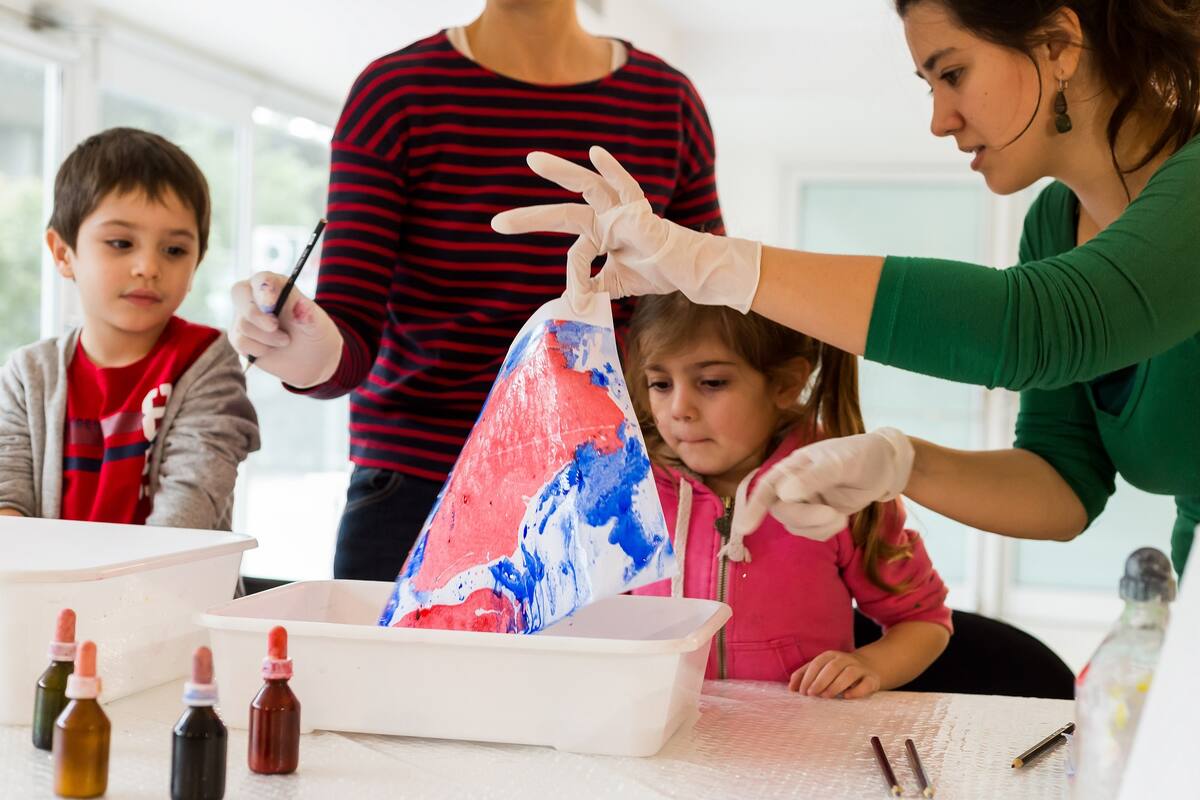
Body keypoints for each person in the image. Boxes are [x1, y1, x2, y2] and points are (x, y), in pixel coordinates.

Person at [492, 0, 1200, 577]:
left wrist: (716, 265)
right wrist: (899, 462)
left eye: (952, 73)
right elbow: (1063, 485)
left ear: (1058, 43)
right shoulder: (1054, 225)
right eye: (929, 87)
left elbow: (1039, 327)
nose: (939, 119)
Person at [229, 0, 724, 580]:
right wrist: (304, 349)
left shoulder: (667, 104)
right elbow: (349, 341)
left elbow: (705, 315)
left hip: (604, 488)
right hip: (420, 489)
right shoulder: (394, 96)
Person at [624, 292, 951, 696]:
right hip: (663, 745)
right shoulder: (630, 490)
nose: (680, 408)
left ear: (785, 383)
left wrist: (869, 665)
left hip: (802, 745)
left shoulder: (842, 487)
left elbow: (924, 620)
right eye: (660, 383)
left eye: (711, 382)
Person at [0, 128, 260, 529]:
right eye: (121, 243)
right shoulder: (26, 375)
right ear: (63, 253)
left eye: (174, 250)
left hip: (176, 589)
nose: (149, 268)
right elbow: (7, 508)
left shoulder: (207, 363)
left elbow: (186, 519)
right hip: (50, 592)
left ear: (196, 264)